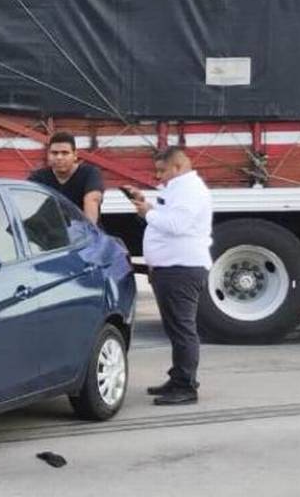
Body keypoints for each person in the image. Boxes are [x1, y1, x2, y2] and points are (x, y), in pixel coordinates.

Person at [124, 146, 213, 406]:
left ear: (178, 167)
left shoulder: (189, 190)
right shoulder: (179, 189)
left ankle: (185, 387)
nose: (159, 176)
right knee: (176, 329)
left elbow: (177, 225)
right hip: (172, 268)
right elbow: (170, 216)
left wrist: (147, 213)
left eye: (163, 171)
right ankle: (178, 378)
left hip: (181, 269)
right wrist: (148, 204)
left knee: (183, 330)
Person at [28, 131, 104, 223]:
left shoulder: (90, 173)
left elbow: (92, 199)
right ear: (48, 155)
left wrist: (90, 231)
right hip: (52, 233)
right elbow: (27, 203)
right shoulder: (39, 177)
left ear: (75, 155)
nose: (59, 157)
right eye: (54, 153)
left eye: (65, 153)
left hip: (84, 232)